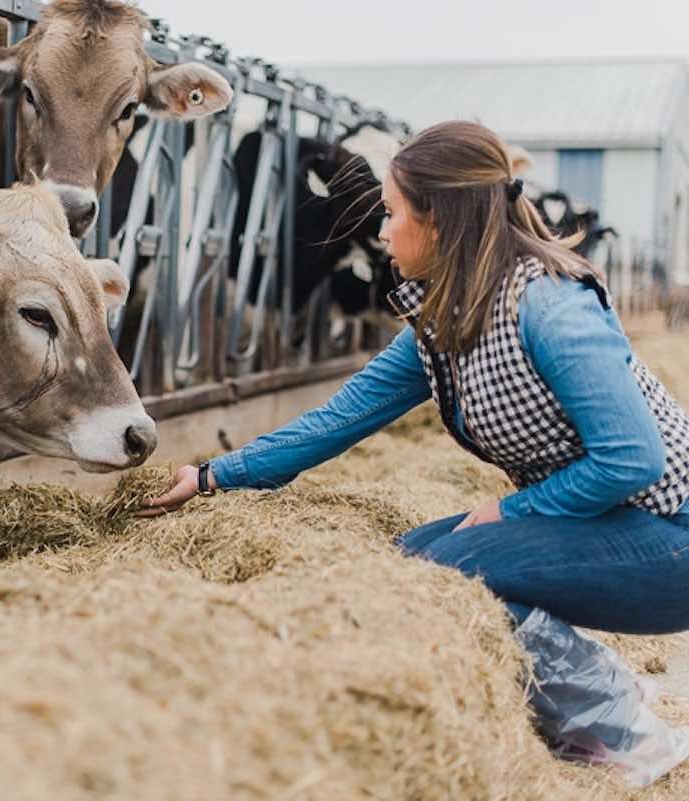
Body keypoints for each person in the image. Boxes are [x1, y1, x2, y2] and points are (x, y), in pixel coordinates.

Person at [141, 120, 689, 787]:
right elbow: (342, 416)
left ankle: (626, 735)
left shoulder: (548, 305)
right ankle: (609, 688)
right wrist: (211, 475)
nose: (381, 232)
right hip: (615, 523)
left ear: (439, 220)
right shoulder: (446, 315)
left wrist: (513, 509)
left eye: (392, 213)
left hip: (671, 535)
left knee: (454, 570)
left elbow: (633, 458)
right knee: (407, 563)